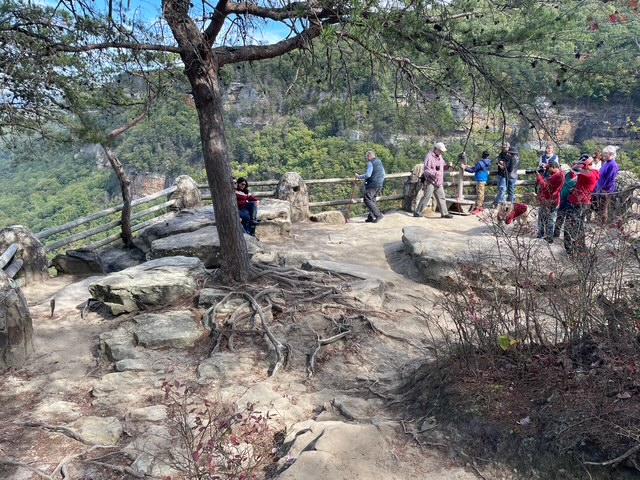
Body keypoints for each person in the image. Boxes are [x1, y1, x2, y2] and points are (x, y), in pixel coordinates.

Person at [564, 155, 600, 255]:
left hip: (579, 203)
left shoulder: (589, 174)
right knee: (579, 227)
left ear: (588, 165)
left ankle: (571, 250)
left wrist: (582, 162)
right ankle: (580, 249)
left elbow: (574, 168)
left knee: (572, 226)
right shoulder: (591, 172)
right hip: (580, 202)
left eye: (584, 164)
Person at [413, 142, 453, 219]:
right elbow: (426, 170)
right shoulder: (429, 157)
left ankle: (444, 213)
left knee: (442, 197)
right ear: (436, 149)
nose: (442, 152)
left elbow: (443, 167)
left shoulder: (440, 157)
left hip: (439, 182)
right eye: (441, 150)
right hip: (430, 181)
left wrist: (447, 166)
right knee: (426, 197)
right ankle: (418, 212)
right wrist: (435, 173)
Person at [535, 159, 565, 242]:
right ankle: (548, 236)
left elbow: (545, 186)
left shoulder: (557, 176)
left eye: (548, 168)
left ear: (553, 167)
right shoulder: (561, 173)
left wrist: (539, 177)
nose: (547, 171)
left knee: (544, 218)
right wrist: (545, 165)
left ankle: (544, 235)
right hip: (553, 199)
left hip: (549, 200)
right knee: (549, 218)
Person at [355, 150, 386, 223]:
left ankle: (378, 215)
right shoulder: (379, 161)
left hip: (372, 184)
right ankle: (371, 217)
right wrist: (380, 181)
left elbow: (368, 175)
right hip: (379, 184)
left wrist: (359, 177)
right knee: (372, 200)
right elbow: (383, 174)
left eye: (367, 157)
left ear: (369, 156)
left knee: (367, 199)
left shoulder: (370, 163)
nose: (366, 158)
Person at [593, 145, 619, 224]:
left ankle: (602, 224)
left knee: (603, 207)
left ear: (611, 154)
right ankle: (598, 221)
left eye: (605, 154)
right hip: (600, 188)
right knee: (599, 206)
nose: (604, 155)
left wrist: (605, 189)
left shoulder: (613, 165)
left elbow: (610, 179)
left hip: (606, 190)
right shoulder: (606, 163)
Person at [553, 161, 579, 239]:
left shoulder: (578, 178)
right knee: (560, 216)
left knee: (569, 218)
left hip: (571, 201)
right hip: (563, 199)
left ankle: (569, 235)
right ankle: (556, 234)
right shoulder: (567, 175)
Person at [462, 150, 491, 215]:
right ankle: (480, 206)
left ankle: (478, 207)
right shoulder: (487, 162)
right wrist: (468, 167)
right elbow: (477, 168)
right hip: (484, 179)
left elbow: (473, 170)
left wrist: (465, 168)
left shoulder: (480, 163)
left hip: (480, 179)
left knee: (479, 194)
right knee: (481, 193)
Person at [492, 142, 510, 207]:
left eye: (505, 147)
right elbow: (498, 160)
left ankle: (502, 204)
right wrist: (500, 163)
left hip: (504, 175)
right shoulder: (501, 153)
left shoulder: (509, 155)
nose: (503, 148)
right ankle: (497, 202)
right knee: (500, 189)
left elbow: (508, 165)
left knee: (502, 189)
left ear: (508, 147)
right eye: (503, 147)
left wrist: (503, 164)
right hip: (500, 173)